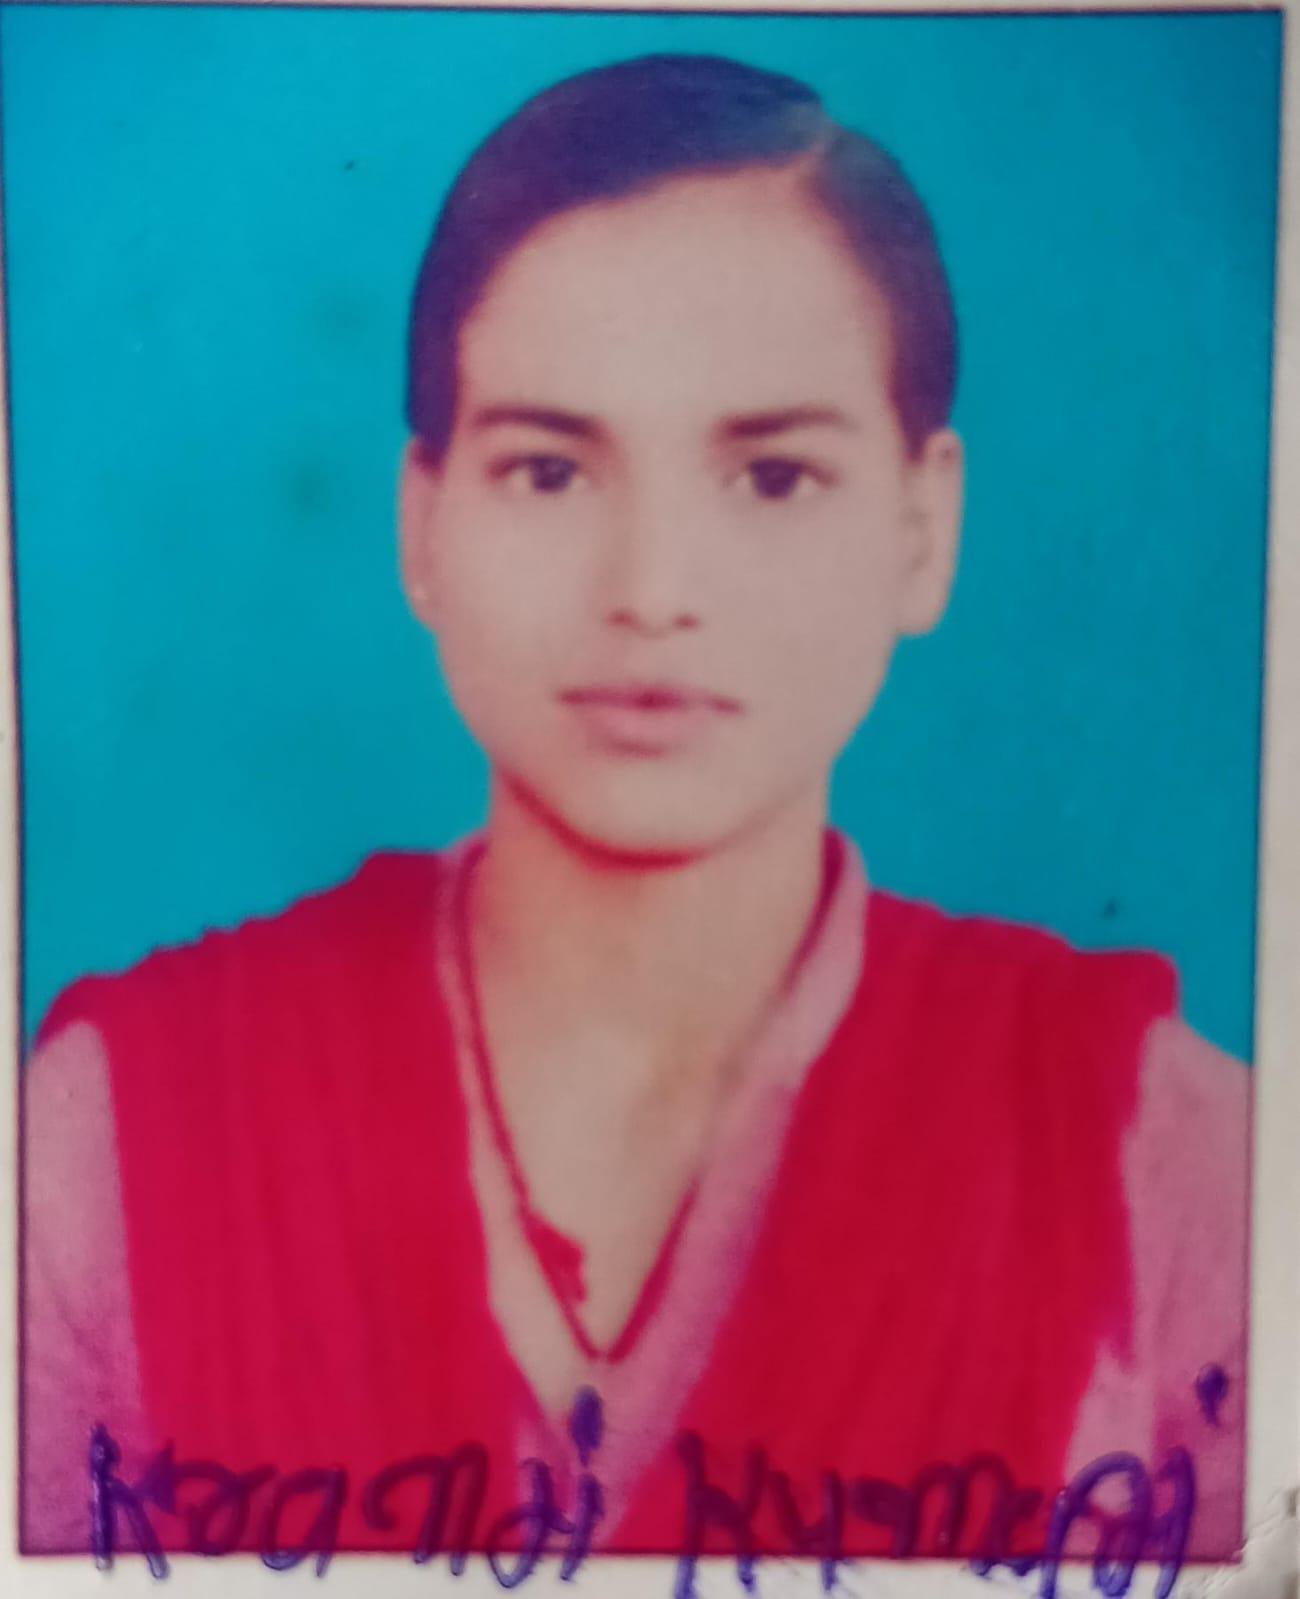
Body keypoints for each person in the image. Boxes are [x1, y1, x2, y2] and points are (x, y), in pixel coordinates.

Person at [23, 52, 1248, 1567]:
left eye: (774, 478)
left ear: (923, 529)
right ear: (421, 524)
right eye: (549, 470)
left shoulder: (1179, 1170)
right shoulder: (111, 1138)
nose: (653, 591)